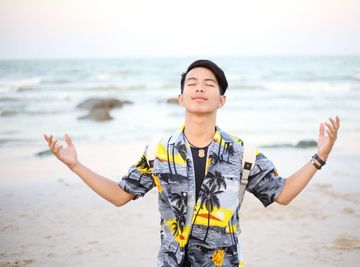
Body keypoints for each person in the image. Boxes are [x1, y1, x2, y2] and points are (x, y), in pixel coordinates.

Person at [43, 59, 340, 267]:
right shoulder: (158, 152)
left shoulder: (243, 153)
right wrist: (75, 165)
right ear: (181, 98)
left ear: (221, 100)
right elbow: (121, 195)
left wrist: (319, 157)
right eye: (192, 83)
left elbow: (282, 193)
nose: (200, 88)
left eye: (209, 84)